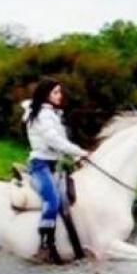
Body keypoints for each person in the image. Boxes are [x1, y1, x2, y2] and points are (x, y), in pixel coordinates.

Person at [21, 78, 89, 264]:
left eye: (60, 92)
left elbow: (59, 145)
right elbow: (54, 141)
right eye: (56, 92)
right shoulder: (43, 115)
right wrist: (80, 152)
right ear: (46, 94)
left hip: (53, 165)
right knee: (52, 199)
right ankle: (45, 244)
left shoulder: (51, 114)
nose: (60, 96)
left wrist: (75, 158)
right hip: (40, 166)